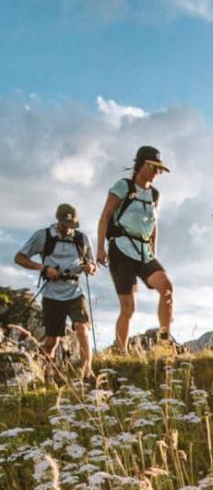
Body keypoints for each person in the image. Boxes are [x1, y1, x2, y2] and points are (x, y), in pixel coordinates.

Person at [96, 145, 174, 353]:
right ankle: (122, 352)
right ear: (141, 165)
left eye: (159, 169)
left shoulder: (155, 195)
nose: (157, 173)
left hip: (144, 251)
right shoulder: (123, 186)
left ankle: (165, 341)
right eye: (153, 167)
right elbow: (105, 217)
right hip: (120, 249)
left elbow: (153, 226)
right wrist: (100, 248)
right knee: (128, 308)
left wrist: (153, 254)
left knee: (166, 287)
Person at [14, 203, 97, 380]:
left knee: (82, 328)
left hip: (75, 291)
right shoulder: (43, 236)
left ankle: (86, 371)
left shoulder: (82, 239)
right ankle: (46, 373)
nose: (69, 229)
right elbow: (19, 258)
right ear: (58, 220)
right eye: (66, 225)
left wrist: (90, 267)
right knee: (52, 340)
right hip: (52, 294)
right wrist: (43, 268)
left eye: (72, 226)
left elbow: (93, 264)